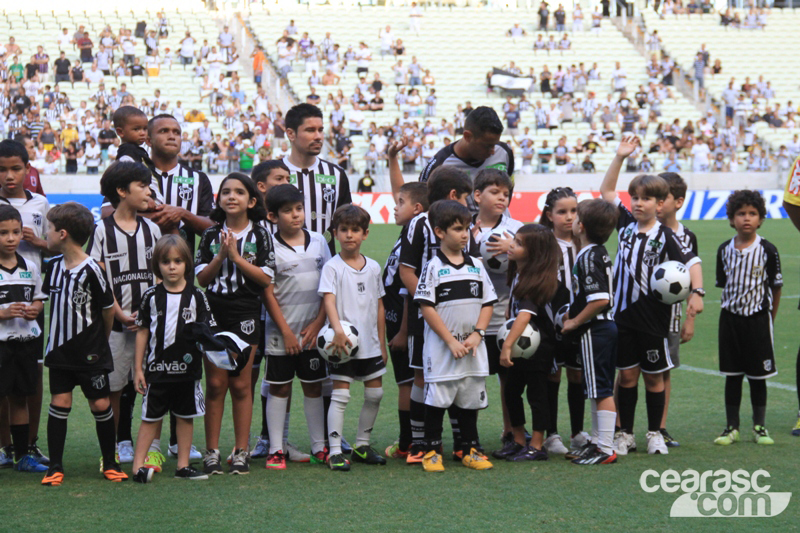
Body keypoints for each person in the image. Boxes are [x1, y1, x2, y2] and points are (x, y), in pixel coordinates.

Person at [600, 136, 703, 456]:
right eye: (635, 197)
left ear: (661, 205)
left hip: (654, 318)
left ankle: (655, 433)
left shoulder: (667, 236)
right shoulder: (626, 226)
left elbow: (692, 262)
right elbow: (606, 193)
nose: (638, 203)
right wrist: (619, 157)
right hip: (624, 316)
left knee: (654, 379)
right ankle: (625, 433)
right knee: (627, 376)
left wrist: (696, 294)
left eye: (646, 199)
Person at [41, 202, 126, 486]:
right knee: (59, 403)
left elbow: (107, 310)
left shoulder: (93, 269)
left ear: (62, 233)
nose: (46, 233)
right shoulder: (52, 267)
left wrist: (99, 340)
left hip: (90, 351)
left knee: (100, 403)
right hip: (59, 352)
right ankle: (55, 466)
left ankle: (110, 463)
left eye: (49, 229)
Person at [195, 174, 274, 475]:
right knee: (215, 384)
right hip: (213, 312)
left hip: (245, 313)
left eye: (239, 192)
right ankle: (211, 451)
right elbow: (202, 279)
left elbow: (265, 279)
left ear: (251, 201)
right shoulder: (210, 234)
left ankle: (241, 451)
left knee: (241, 385)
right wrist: (221, 256)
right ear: (219, 199)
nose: (231, 197)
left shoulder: (262, 235)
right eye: (225, 192)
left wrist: (237, 259)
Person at [399, 167, 475, 465]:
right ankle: (421, 443)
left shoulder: (469, 224)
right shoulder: (419, 224)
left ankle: (461, 443)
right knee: (422, 375)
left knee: (460, 373)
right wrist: (429, 302)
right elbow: (407, 271)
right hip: (426, 315)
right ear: (454, 194)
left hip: (461, 314)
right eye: (467, 196)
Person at [88, 162, 162, 465]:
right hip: (117, 327)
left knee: (153, 383)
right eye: (142, 185)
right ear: (122, 191)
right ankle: (120, 442)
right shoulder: (102, 231)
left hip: (150, 325)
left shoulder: (152, 229)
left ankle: (154, 445)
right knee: (115, 386)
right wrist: (118, 313)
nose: (148, 191)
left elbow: (161, 275)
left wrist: (148, 313)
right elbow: (99, 279)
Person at [415, 200, 497, 472]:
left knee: (469, 399)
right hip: (443, 350)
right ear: (440, 232)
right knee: (438, 399)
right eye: (458, 229)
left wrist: (478, 334)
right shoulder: (433, 267)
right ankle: (431, 450)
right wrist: (450, 341)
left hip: (472, 348)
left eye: (467, 229)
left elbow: (488, 302)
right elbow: (426, 306)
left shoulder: (476, 264)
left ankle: (470, 449)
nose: (465, 235)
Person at [129, 235, 212, 483]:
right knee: (150, 418)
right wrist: (138, 369)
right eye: (166, 262)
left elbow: (207, 332)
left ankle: (183, 466)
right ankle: (137, 467)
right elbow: (143, 331)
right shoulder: (151, 296)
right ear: (157, 265)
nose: (172, 266)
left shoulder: (197, 297)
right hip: (157, 371)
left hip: (188, 371)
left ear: (187, 263)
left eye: (177, 261)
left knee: (185, 416)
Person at [262, 184, 330, 469]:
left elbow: (330, 285)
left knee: (313, 386)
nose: (295, 215)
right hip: (282, 334)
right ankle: (276, 450)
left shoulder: (318, 241)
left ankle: (319, 447)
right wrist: (286, 332)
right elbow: (267, 291)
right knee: (279, 388)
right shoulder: (269, 245)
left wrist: (317, 323)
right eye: (287, 211)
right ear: (272, 216)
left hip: (312, 333)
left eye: (298, 209)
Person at [318, 204, 387, 471]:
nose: (349, 235)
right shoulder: (332, 267)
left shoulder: (373, 267)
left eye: (355, 230)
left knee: (376, 393)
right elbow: (328, 299)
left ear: (365, 234)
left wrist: (382, 343)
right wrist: (336, 329)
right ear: (335, 233)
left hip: (368, 342)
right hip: (341, 343)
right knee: (341, 396)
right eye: (343, 230)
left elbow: (380, 306)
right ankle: (335, 451)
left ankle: (362, 445)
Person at [713, 191, 781, 447]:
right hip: (730, 320)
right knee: (733, 375)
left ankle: (759, 427)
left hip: (758, 321)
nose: (747, 219)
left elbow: (776, 287)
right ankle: (732, 427)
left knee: (757, 376)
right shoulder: (724, 250)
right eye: (741, 214)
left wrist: (769, 319)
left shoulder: (767, 249)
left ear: (761, 219)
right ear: (731, 219)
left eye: (752, 214)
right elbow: (724, 284)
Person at [560, 199, 619, 465]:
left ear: (580, 226)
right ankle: (597, 443)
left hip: (597, 328)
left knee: (602, 389)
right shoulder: (594, 252)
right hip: (599, 328)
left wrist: (574, 322)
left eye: (575, 216)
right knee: (596, 388)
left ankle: (605, 448)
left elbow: (600, 299)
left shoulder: (588, 256)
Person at [496, 224, 560, 462]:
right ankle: (518, 439)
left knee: (537, 394)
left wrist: (506, 345)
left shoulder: (536, 281)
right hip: (521, 345)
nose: (512, 245)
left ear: (535, 253)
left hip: (537, 348)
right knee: (512, 391)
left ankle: (537, 444)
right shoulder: (518, 273)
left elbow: (524, 315)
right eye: (514, 239)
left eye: (519, 243)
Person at [470, 170, 522, 449]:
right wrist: (474, 245)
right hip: (473, 319)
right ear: (478, 196)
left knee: (509, 380)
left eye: (506, 193)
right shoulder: (463, 229)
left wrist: (514, 248)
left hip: (506, 318)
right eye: (495, 192)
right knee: (474, 379)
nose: (502, 197)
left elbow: (537, 260)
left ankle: (510, 431)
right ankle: (470, 435)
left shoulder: (518, 229)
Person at [383, 169, 428, 461]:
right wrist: (392, 160)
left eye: (400, 202)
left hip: (403, 321)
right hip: (392, 317)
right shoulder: (406, 231)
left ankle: (408, 442)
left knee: (407, 381)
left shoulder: (418, 238)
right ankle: (410, 441)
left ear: (417, 210)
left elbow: (411, 289)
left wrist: (402, 330)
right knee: (406, 380)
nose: (395, 206)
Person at [538, 187, 587, 456]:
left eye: (574, 211)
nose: (570, 217)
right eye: (562, 212)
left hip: (579, 321)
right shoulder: (545, 244)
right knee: (552, 375)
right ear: (549, 215)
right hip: (550, 322)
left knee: (576, 374)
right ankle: (551, 433)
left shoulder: (584, 242)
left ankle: (578, 432)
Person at [0, 205, 48, 473]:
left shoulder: (30, 266)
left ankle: (22, 456)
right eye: (3, 233)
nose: (10, 238)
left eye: (15, 232)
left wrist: (34, 310)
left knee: (20, 399)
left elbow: (40, 299)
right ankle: (4, 450)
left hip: (25, 344)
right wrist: (3, 313)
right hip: (1, 344)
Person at [655, 173, 697, 448]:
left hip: (670, 314)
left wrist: (690, 317)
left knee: (664, 369)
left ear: (678, 201)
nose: (657, 203)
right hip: (637, 313)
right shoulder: (640, 229)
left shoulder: (687, 236)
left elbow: (692, 275)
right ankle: (621, 425)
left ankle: (660, 427)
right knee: (628, 370)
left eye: (662, 197)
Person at [281, 104, 352, 254]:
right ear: (291, 134)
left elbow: (347, 224)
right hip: (282, 267)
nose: (318, 136)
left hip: (325, 267)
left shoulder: (336, 174)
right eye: (310, 130)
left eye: (320, 130)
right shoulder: (272, 174)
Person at [419, 106, 513, 215]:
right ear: (467, 136)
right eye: (487, 146)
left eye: (495, 144)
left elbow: (509, 187)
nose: (493, 151)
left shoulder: (505, 152)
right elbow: (424, 209)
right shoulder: (439, 164)